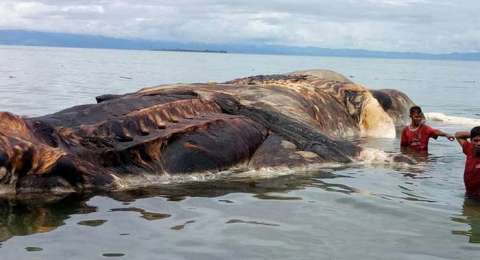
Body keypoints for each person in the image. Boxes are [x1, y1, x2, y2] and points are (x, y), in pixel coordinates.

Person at [455, 126, 480, 198]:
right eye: (476, 140)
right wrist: (474, 133)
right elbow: (458, 135)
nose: (479, 143)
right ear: (471, 140)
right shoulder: (470, 149)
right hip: (469, 195)